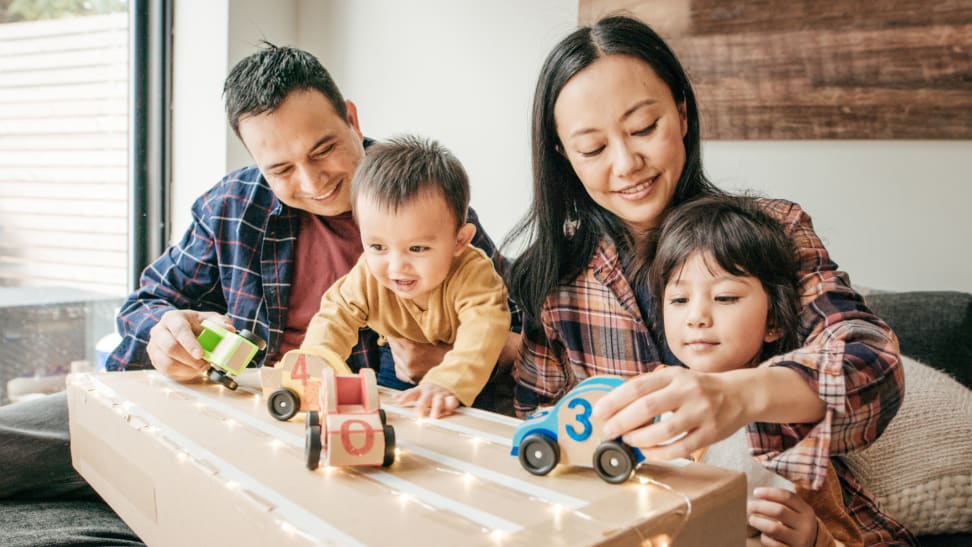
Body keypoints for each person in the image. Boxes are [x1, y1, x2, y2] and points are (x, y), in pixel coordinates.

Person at [0, 42, 516, 544]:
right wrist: (169, 332)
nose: (313, 181)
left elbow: (513, 330)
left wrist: (449, 361)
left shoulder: (424, 199)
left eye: (324, 149)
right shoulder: (232, 206)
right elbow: (144, 304)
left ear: (352, 119)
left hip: (346, 427)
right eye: (281, 169)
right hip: (229, 406)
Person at [505, 15, 914, 545]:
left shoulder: (773, 231)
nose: (627, 163)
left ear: (680, 112)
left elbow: (875, 366)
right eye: (593, 149)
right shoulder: (554, 276)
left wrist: (738, 396)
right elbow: (537, 424)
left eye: (643, 128)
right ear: (564, 157)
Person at [645, 194, 871, 547]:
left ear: (774, 323)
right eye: (679, 300)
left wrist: (814, 538)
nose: (697, 317)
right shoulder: (646, 396)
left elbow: (846, 539)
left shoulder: (791, 420)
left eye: (725, 298)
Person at [301, 135, 511, 418]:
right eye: (378, 247)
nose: (397, 266)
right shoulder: (368, 275)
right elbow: (335, 314)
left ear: (459, 241)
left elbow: (484, 327)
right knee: (389, 418)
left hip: (470, 371)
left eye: (416, 248)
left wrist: (447, 381)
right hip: (396, 364)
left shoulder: (473, 273)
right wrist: (316, 359)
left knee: (467, 426)